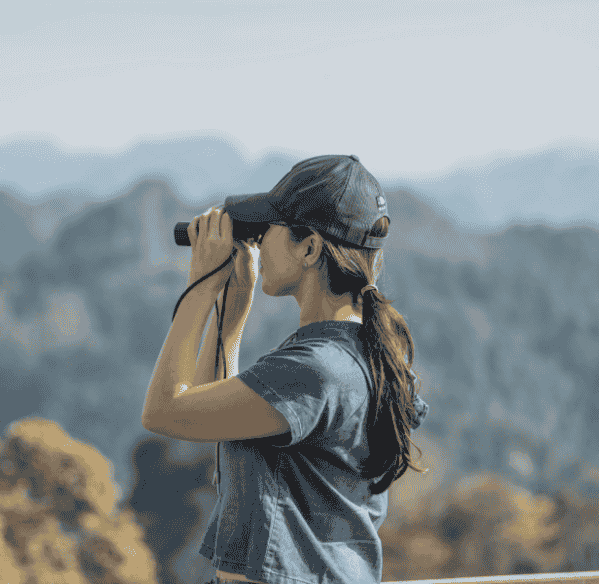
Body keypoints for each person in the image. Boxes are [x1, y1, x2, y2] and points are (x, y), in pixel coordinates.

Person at [145, 154, 430, 584]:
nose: (258, 241)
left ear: (310, 248)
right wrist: (233, 311)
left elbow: (164, 410)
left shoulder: (315, 369)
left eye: (270, 228)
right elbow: (215, 422)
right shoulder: (346, 357)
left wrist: (201, 286)